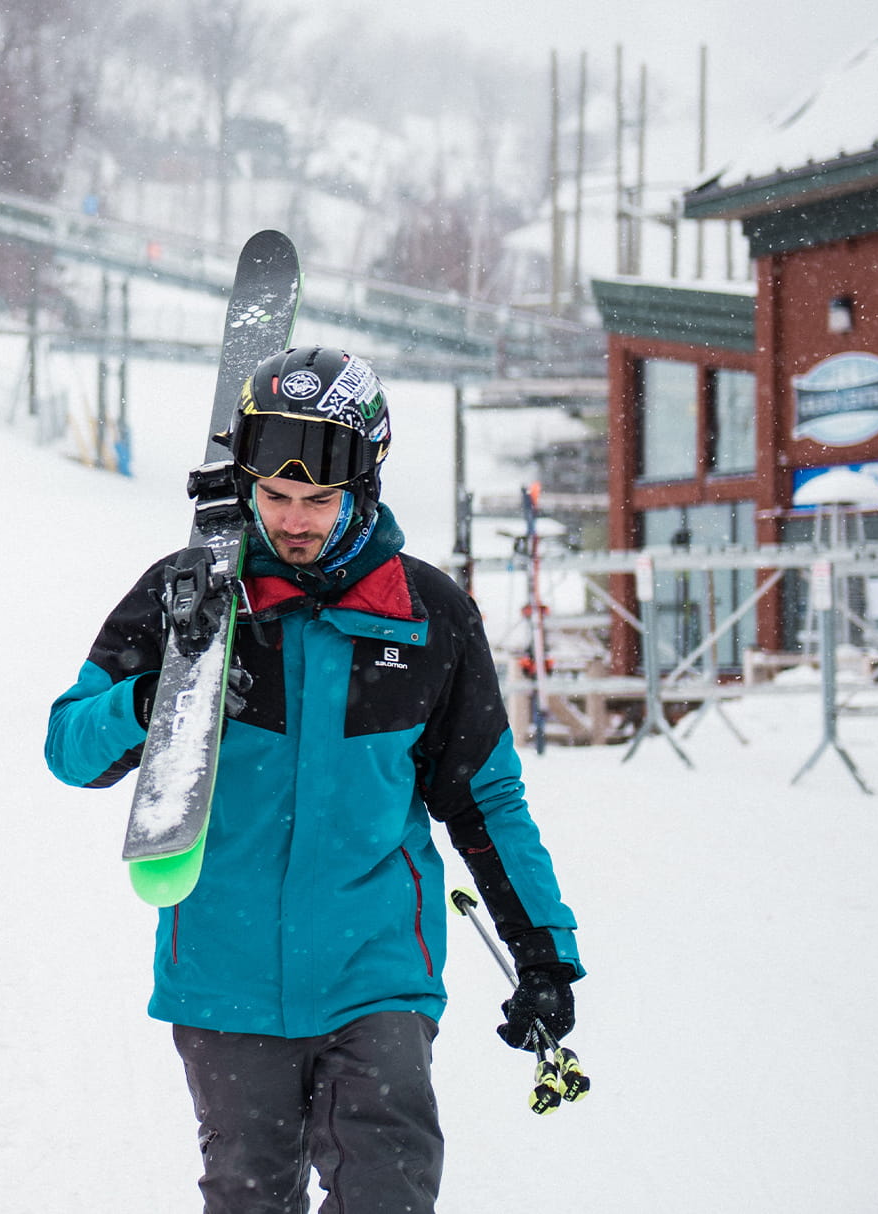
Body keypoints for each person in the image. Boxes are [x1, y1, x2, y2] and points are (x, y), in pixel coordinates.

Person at [44, 346, 582, 1213]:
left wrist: (543, 952)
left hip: (376, 974)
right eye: (275, 498)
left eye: (318, 500)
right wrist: (165, 689)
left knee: (390, 1191)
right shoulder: (188, 595)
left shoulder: (430, 618)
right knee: (250, 1200)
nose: (294, 521)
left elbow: (485, 800)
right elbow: (69, 748)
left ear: (363, 487)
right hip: (225, 973)